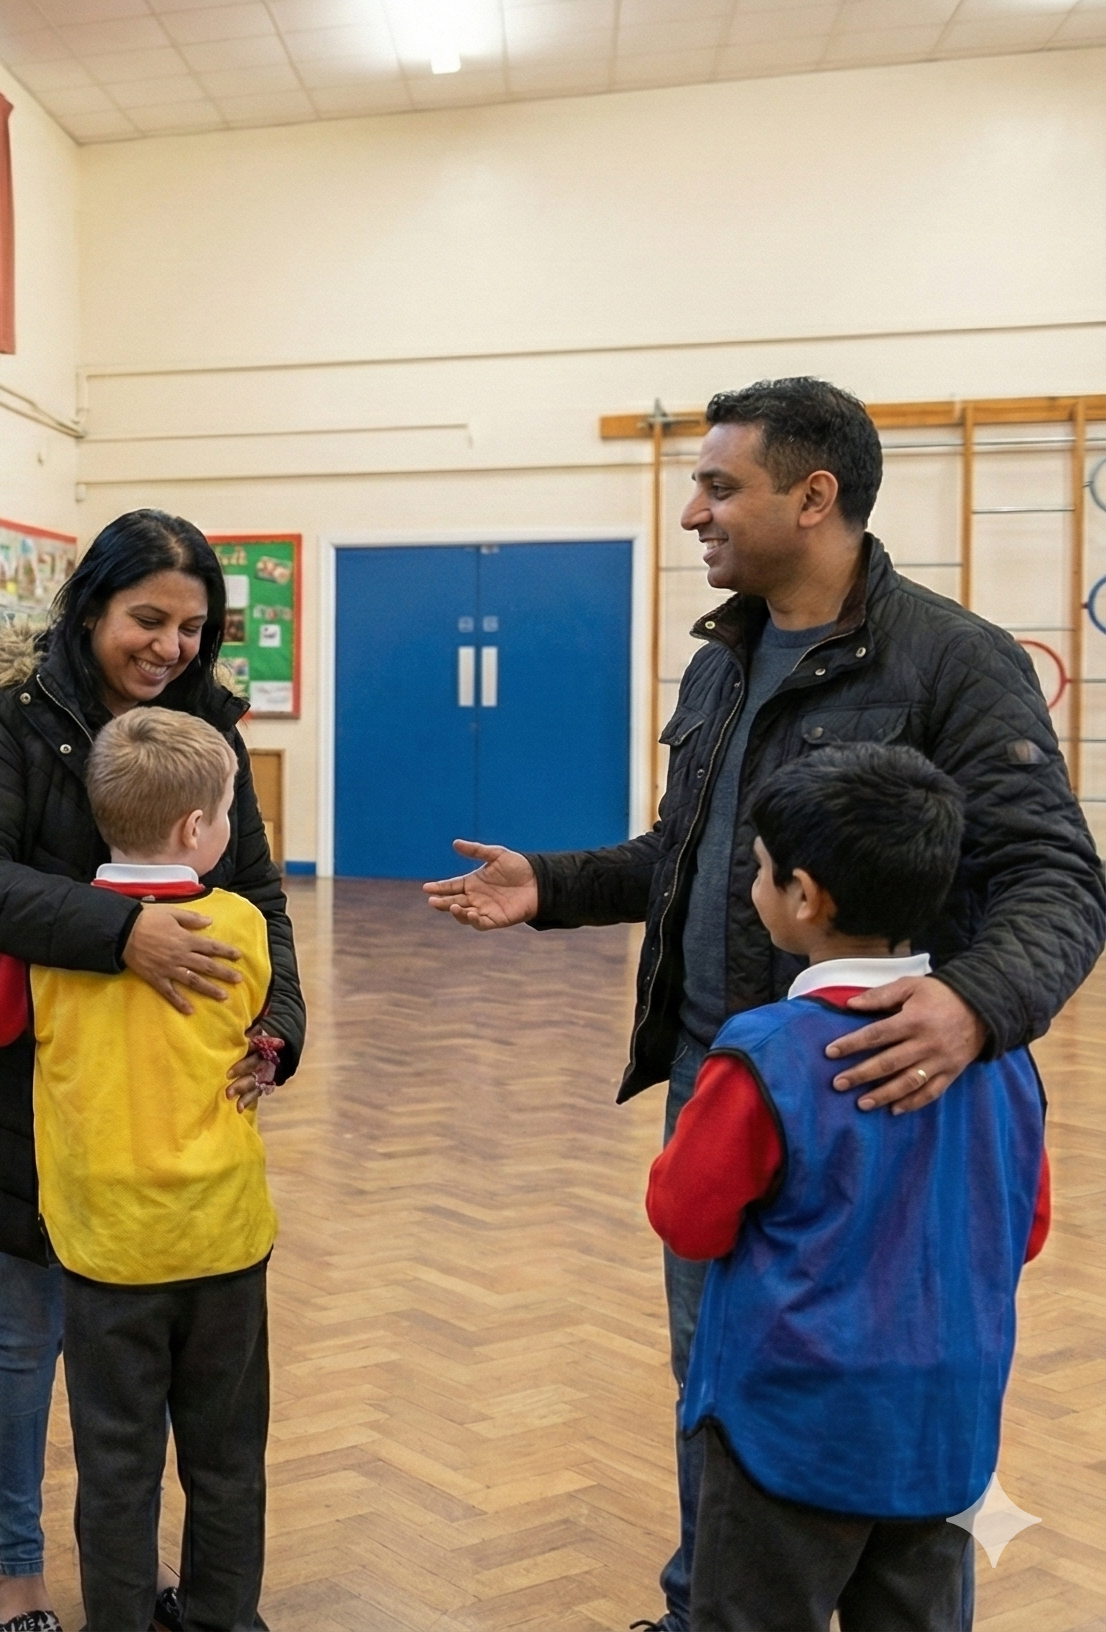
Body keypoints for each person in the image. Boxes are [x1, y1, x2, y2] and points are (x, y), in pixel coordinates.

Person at [422, 376, 1106, 1632]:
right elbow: (691, 852)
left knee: (898, 1425)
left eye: (718, 486)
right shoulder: (724, 657)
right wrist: (556, 885)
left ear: (814, 496)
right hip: (725, 1081)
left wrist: (969, 1007)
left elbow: (1059, 881)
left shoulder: (953, 662)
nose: (692, 512)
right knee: (724, 1388)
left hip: (877, 1104)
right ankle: (714, 1603)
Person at [0, 509, 304, 1632]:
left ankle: (143, 1581)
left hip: (166, 1115)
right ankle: (17, 1567)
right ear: (88, 608)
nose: (169, 645)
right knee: (26, 1331)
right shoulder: (8, 713)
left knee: (148, 1378)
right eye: (146, 618)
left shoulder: (204, 722)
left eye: (191, 626)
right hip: (23, 1098)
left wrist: (278, 1030)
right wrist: (118, 934)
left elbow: (256, 894)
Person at [647, 743, 1050, 1632]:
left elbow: (687, 1220)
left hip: (789, 1423)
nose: (755, 885)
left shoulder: (767, 1050)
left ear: (806, 897)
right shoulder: (998, 1050)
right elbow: (1025, 1228)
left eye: (758, 870)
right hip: (945, 1422)